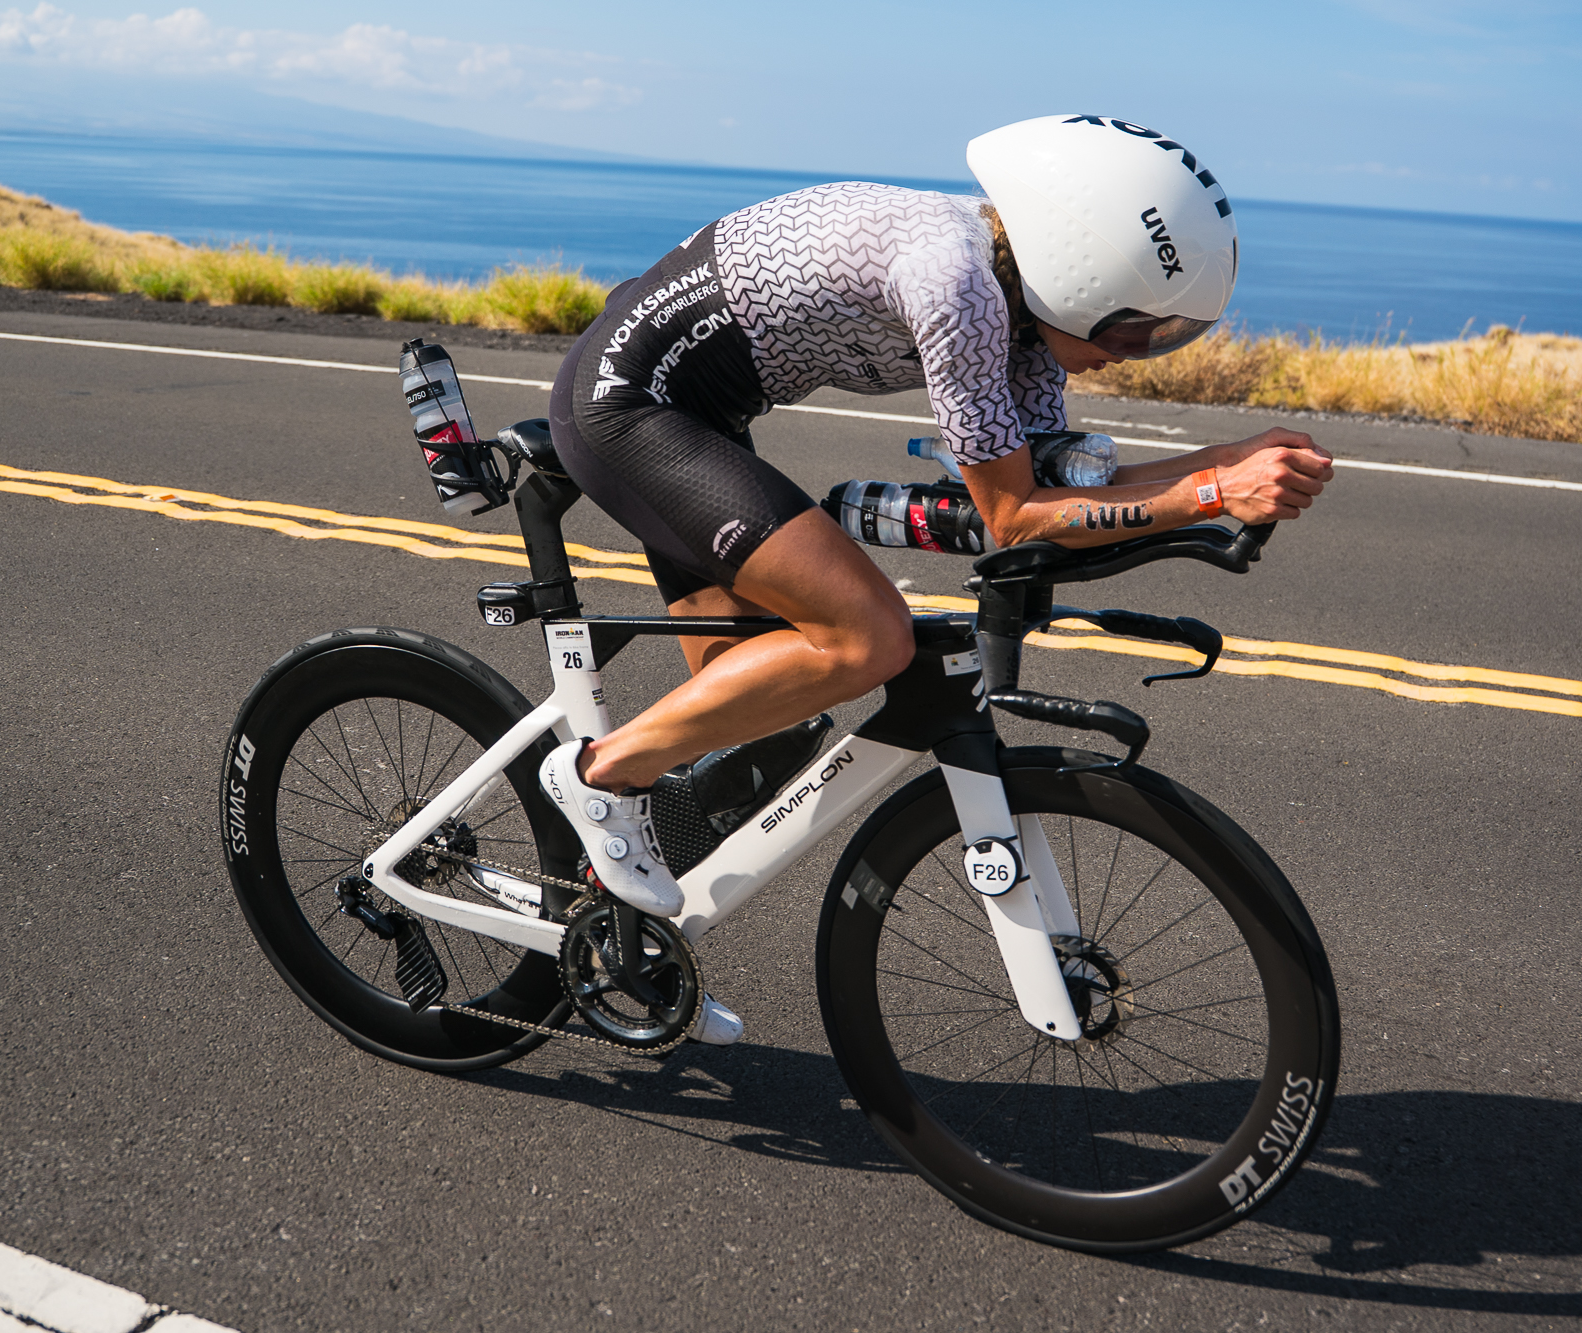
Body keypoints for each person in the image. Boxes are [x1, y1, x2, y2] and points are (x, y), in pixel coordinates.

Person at [539, 114, 1335, 1041]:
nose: (1136, 349)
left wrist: (1221, 463)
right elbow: (1014, 515)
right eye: (1137, 326)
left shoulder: (1022, 313)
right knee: (865, 638)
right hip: (632, 407)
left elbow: (1054, 485)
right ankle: (597, 775)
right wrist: (1209, 491)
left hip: (700, 417)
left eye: (1165, 334)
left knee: (756, 738)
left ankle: (613, 939)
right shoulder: (957, 285)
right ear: (1075, 274)